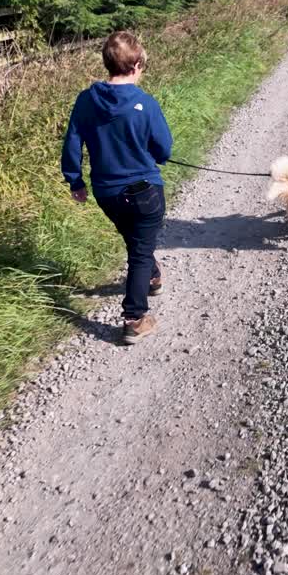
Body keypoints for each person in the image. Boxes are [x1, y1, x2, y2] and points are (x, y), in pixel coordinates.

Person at [62, 31, 173, 342]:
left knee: (136, 241)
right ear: (136, 65)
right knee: (139, 250)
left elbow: (72, 141)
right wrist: (152, 154)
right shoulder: (145, 103)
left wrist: (75, 179)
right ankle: (134, 318)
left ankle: (152, 276)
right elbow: (164, 149)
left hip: (106, 193)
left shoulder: (86, 100)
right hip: (145, 190)